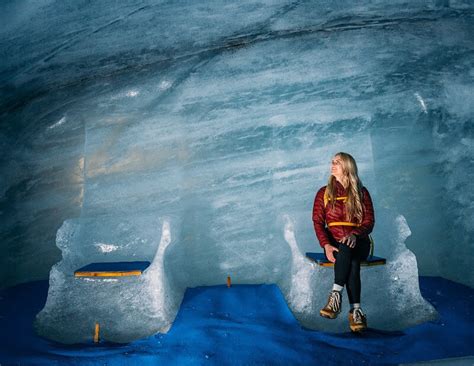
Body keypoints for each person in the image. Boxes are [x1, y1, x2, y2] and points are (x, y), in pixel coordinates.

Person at [312, 152, 375, 332]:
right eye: (332, 162)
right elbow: (318, 222)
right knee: (352, 261)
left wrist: (355, 234)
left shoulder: (362, 192)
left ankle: (335, 297)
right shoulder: (323, 193)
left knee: (348, 245)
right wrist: (326, 245)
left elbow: (369, 222)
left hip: (360, 242)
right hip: (336, 244)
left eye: (337, 163)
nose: (332, 165)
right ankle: (356, 312)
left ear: (347, 167)